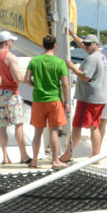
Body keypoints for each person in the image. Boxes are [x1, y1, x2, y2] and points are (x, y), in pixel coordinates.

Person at [25, 34, 71, 169]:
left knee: (38, 131)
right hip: (54, 100)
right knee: (54, 131)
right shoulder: (59, 62)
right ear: (55, 45)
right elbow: (65, 84)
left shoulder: (35, 61)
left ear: (43, 45)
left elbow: (26, 79)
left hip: (38, 100)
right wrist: (66, 102)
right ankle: (55, 160)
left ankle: (34, 161)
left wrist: (36, 85)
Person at [59, 34, 107, 164]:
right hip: (100, 98)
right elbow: (82, 43)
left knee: (77, 127)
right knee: (94, 126)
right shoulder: (102, 57)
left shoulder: (92, 59)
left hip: (88, 98)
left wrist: (72, 67)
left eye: (88, 44)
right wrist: (72, 34)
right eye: (84, 44)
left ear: (96, 44)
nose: (85, 46)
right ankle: (96, 155)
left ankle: (67, 155)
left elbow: (85, 77)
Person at [0, 30, 30, 165]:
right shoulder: (10, 57)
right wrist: (29, 78)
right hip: (11, 94)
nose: (12, 43)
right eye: (11, 41)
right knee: (18, 124)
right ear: (7, 42)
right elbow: (18, 78)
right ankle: (23, 155)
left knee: (2, 126)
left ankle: (5, 157)